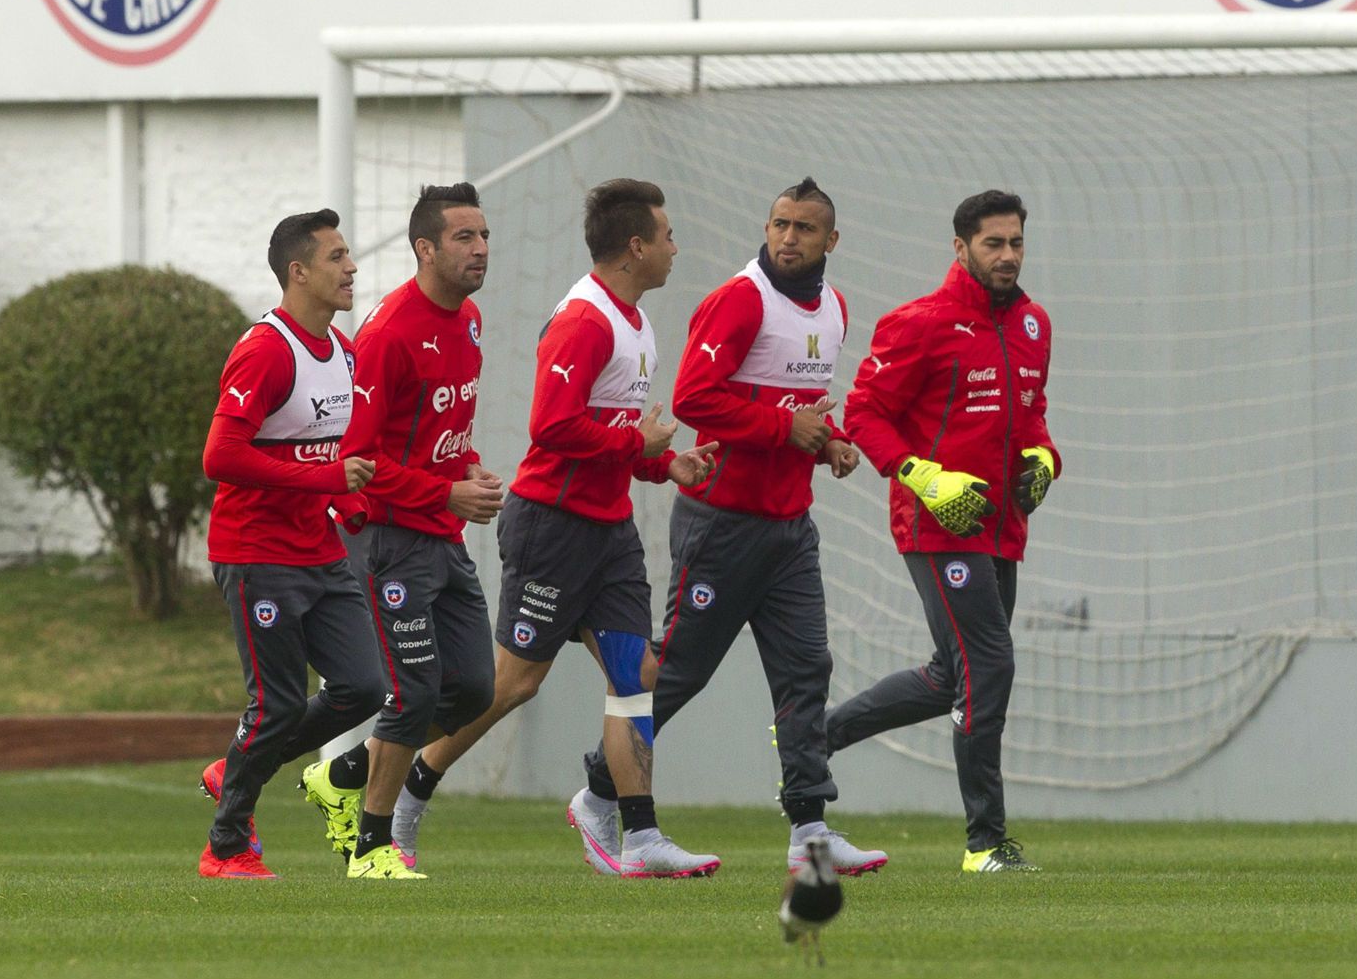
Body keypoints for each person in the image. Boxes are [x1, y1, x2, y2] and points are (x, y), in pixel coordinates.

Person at [392, 178, 722, 878]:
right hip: (552, 529)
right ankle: (409, 790)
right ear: (635, 247)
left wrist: (668, 467)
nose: (673, 248)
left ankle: (637, 833)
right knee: (509, 685)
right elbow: (552, 427)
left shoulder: (634, 321)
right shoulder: (585, 320)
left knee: (638, 672)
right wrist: (642, 447)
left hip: (608, 530)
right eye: (666, 236)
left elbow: (615, 439)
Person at [571, 177, 888, 876]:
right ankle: (599, 790)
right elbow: (693, 398)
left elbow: (799, 405)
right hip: (720, 525)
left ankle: (810, 829)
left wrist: (828, 438)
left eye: (805, 228)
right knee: (677, 671)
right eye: (779, 223)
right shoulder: (739, 299)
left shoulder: (833, 306)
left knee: (807, 671)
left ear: (830, 240)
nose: (788, 237)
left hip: (788, 529)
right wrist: (788, 427)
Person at [823, 189, 1060, 874]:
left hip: (1000, 527)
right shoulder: (919, 322)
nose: (1008, 255)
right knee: (989, 665)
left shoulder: (1035, 324)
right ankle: (985, 842)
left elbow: (1033, 413)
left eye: (1016, 242)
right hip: (935, 524)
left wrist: (1045, 459)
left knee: (949, 675)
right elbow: (864, 413)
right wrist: (921, 475)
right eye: (994, 243)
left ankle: (813, 734)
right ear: (960, 248)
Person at [298, 183, 505, 879]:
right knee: (412, 691)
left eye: (482, 235)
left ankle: (343, 774)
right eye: (462, 238)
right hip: (387, 538)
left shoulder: (470, 319)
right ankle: (372, 847)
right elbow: (355, 460)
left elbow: (448, 432)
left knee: (475, 689)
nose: (479, 249)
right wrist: (445, 490)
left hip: (441, 534)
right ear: (425, 248)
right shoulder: (387, 333)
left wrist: (469, 474)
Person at [196, 209, 385, 880]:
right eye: (336, 256)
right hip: (254, 553)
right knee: (274, 705)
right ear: (298, 271)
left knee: (364, 684)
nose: (352, 266)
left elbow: (330, 455)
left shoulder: (346, 352)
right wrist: (325, 477)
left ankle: (240, 764)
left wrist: (349, 500)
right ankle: (225, 848)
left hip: (319, 549)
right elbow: (220, 455)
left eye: (349, 255)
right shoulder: (267, 349)